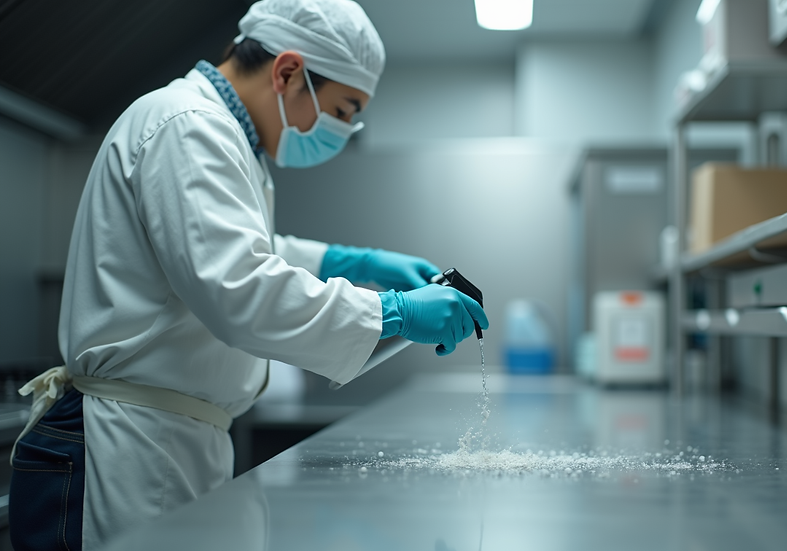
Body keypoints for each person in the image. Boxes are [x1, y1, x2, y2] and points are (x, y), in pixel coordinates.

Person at [8, 0, 489, 549]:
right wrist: (393, 310)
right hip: (120, 446)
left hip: (166, 436)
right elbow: (239, 288)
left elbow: (232, 252)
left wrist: (350, 261)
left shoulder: (222, 135)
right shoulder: (187, 125)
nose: (345, 130)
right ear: (288, 73)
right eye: (343, 109)